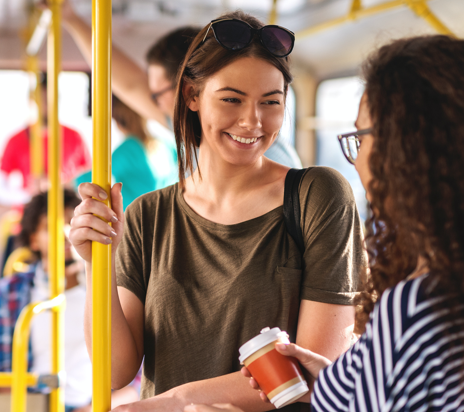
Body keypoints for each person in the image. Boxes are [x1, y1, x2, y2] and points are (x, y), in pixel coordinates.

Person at [70, 10, 366, 412]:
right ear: (191, 96)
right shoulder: (147, 216)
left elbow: (312, 369)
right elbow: (113, 372)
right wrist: (95, 265)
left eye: (271, 102)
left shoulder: (318, 195)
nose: (252, 121)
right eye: (231, 99)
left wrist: (177, 401)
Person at [189, 35, 464, 412]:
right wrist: (330, 380)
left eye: (362, 138)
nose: (357, 159)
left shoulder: (416, 306)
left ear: (404, 149)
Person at [59, 2, 302, 169]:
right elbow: (130, 84)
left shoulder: (272, 163)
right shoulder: (196, 135)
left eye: (270, 101)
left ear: (189, 91)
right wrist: (69, 17)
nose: (251, 120)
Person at [0, 189, 138, 411]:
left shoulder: (112, 288)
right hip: (33, 404)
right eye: (50, 228)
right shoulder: (9, 293)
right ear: (33, 240)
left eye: (71, 224)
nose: (65, 234)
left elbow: (138, 381)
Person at [75, 96, 178, 211]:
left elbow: (89, 177)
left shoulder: (128, 149)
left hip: (138, 218)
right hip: (166, 213)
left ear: (118, 121)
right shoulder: (166, 145)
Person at [0, 73, 91, 192]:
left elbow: (88, 173)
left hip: (65, 207)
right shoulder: (16, 140)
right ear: (33, 102)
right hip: (29, 206)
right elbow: (2, 182)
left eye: (50, 100)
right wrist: (26, 189)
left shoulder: (75, 137)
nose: (46, 106)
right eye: (42, 100)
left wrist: (66, 184)